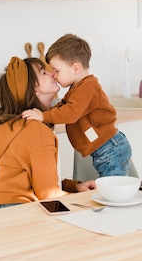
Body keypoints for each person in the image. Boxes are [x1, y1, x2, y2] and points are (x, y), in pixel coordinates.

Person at [0, 55, 99, 261]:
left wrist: (73, 187)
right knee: (95, 256)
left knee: (89, 250)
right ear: (33, 89)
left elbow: (39, 183)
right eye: (45, 72)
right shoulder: (36, 131)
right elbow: (48, 197)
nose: (52, 74)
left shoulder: (21, 126)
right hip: (23, 221)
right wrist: (85, 205)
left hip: (4, 218)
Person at [22, 34, 132, 177]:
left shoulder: (87, 87)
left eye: (57, 71)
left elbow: (70, 113)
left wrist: (44, 116)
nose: (53, 75)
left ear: (76, 68)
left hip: (111, 148)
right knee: (111, 190)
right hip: (105, 149)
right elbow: (63, 105)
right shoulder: (77, 87)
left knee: (114, 191)